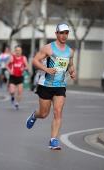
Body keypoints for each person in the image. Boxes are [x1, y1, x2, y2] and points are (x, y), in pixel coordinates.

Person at [26, 22, 76, 150]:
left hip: (60, 85)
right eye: (61, 33)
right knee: (44, 114)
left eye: (66, 33)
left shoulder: (70, 51)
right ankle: (34, 115)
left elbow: (70, 65)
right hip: (45, 84)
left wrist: (72, 72)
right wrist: (46, 69)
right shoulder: (48, 48)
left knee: (58, 112)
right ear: (56, 34)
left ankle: (53, 140)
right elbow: (35, 61)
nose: (64, 35)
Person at [5, 45, 29, 110]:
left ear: (21, 51)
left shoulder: (23, 58)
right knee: (12, 91)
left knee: (19, 92)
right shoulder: (11, 58)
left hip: (20, 77)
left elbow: (27, 66)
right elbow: (6, 65)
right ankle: (12, 96)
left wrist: (23, 69)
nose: (18, 52)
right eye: (17, 51)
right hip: (13, 77)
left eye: (19, 51)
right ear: (15, 51)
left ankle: (17, 104)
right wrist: (10, 71)